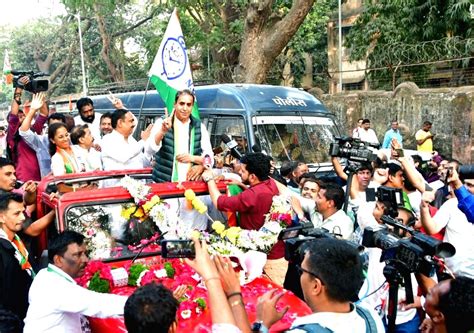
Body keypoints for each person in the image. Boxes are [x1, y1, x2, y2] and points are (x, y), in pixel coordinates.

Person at [254, 238, 384, 332]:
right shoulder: (370, 317)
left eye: (301, 271)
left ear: (316, 286)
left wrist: (262, 324)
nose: (300, 276)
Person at [202, 152, 286, 284]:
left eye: (242, 171)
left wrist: (209, 180)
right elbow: (257, 193)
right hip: (276, 254)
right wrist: (242, 185)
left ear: (252, 176)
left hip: (266, 261)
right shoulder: (270, 184)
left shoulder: (251, 195)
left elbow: (219, 202)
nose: (240, 173)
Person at [23, 231, 128, 333]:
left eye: (85, 254)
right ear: (58, 260)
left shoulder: (46, 274)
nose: (85, 260)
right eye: (78, 255)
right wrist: (139, 303)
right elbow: (98, 304)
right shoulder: (54, 287)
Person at [420, 161, 474, 279]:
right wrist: (423, 207)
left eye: (471, 186)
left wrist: (458, 184)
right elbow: (432, 228)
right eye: (466, 185)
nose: (467, 189)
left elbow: (471, 209)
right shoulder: (452, 204)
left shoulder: (468, 205)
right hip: (450, 274)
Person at [146, 90, 213, 182]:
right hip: (164, 186)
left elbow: (209, 158)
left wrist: (199, 164)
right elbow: (149, 150)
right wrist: (162, 131)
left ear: (192, 107)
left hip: (191, 188)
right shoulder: (162, 123)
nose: (185, 108)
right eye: (182, 104)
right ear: (175, 104)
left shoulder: (199, 126)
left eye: (188, 105)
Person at [0, 193, 34, 323]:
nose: (22, 217)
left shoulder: (19, 240)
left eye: (23, 212)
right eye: (16, 214)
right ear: (1, 217)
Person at [7, 77, 48, 182]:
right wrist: (19, 89)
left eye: (23, 116)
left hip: (41, 178)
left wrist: (36, 91)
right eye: (19, 117)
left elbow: (43, 114)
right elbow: (13, 116)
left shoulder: (33, 131)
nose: (23, 118)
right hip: (24, 181)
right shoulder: (12, 136)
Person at [19, 93, 67, 179]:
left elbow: (44, 113)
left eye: (60, 126)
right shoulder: (42, 142)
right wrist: (33, 109)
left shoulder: (72, 141)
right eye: (54, 127)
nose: (59, 131)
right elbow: (24, 131)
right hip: (49, 186)